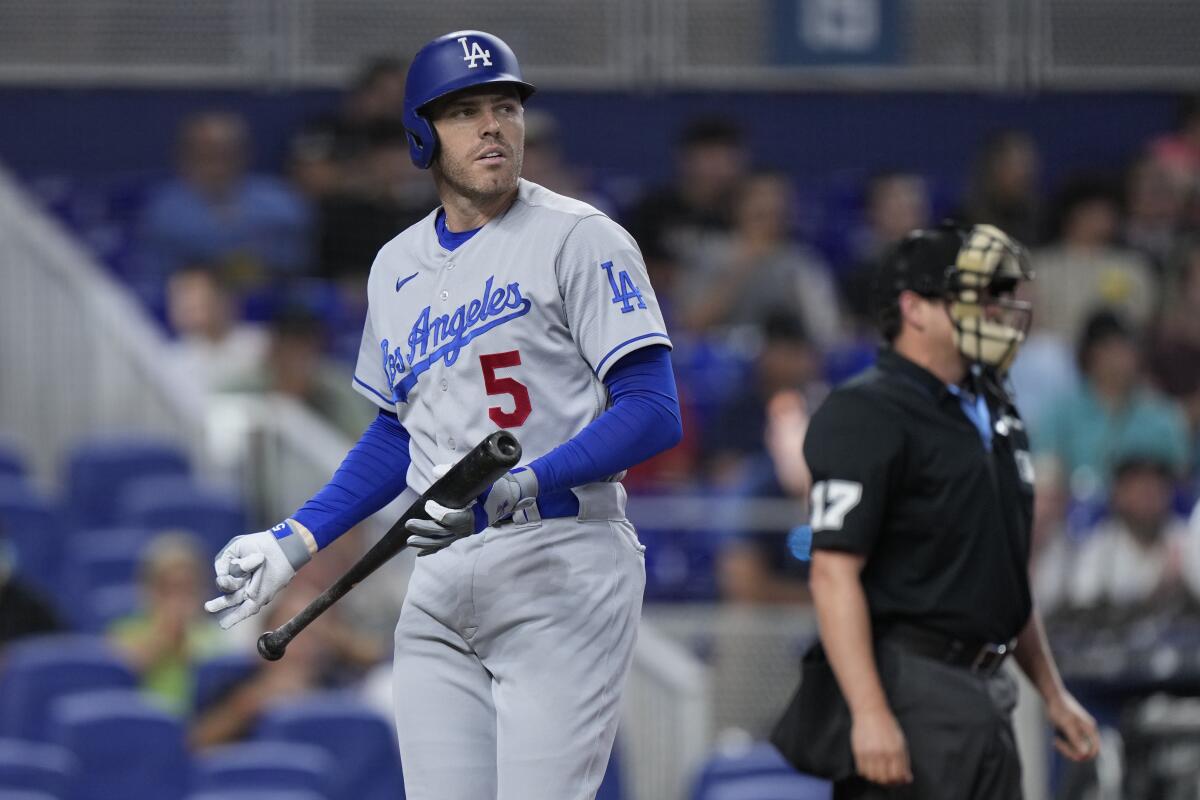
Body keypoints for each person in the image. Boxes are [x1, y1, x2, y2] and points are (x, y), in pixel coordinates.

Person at [204, 29, 681, 800]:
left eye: (505, 106)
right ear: (422, 136)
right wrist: (295, 539)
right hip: (440, 575)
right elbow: (399, 429)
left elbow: (655, 411)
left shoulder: (581, 237)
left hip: (561, 556)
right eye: (464, 111)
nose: (492, 125)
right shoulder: (396, 266)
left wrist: (521, 485)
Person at [773, 223, 1098, 798]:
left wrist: (1050, 691)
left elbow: (1004, 569)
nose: (998, 311)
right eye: (978, 296)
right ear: (915, 308)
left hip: (990, 690)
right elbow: (832, 573)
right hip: (910, 684)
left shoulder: (996, 408)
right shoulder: (866, 411)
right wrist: (870, 713)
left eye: (1001, 296)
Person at [138, 112, 311, 285]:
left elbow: (297, 263)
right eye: (205, 156)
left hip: (274, 299)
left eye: (226, 154)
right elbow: (157, 278)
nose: (216, 167)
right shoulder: (165, 209)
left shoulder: (280, 200)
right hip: (191, 302)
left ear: (244, 154)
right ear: (184, 157)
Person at [109, 533, 229, 716]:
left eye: (188, 589)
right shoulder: (126, 631)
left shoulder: (215, 635)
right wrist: (163, 639)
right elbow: (116, 677)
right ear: (148, 590)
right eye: (168, 589)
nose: (178, 600)